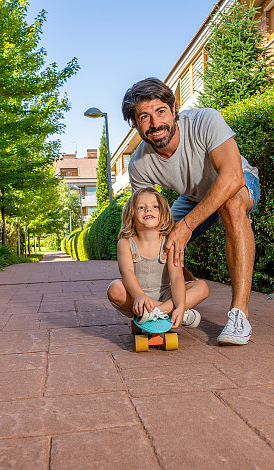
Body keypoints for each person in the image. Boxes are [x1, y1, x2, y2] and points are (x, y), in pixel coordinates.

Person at [121, 77, 261, 345]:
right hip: (194, 197)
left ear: (174, 110)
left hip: (239, 181)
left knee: (230, 206)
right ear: (134, 124)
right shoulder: (139, 165)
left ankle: (239, 314)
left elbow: (232, 177)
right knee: (161, 240)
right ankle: (176, 305)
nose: (155, 124)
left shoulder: (205, 120)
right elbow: (143, 227)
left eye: (161, 112)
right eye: (144, 117)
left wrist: (185, 227)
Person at [107, 187, 209, 329]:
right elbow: (127, 273)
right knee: (114, 289)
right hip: (138, 297)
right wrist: (139, 296)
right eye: (141, 207)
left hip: (167, 295)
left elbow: (176, 277)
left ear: (164, 214)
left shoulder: (170, 242)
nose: (148, 210)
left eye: (155, 206)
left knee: (202, 287)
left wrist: (179, 304)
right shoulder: (125, 243)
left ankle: (159, 312)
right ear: (131, 216)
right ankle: (170, 312)